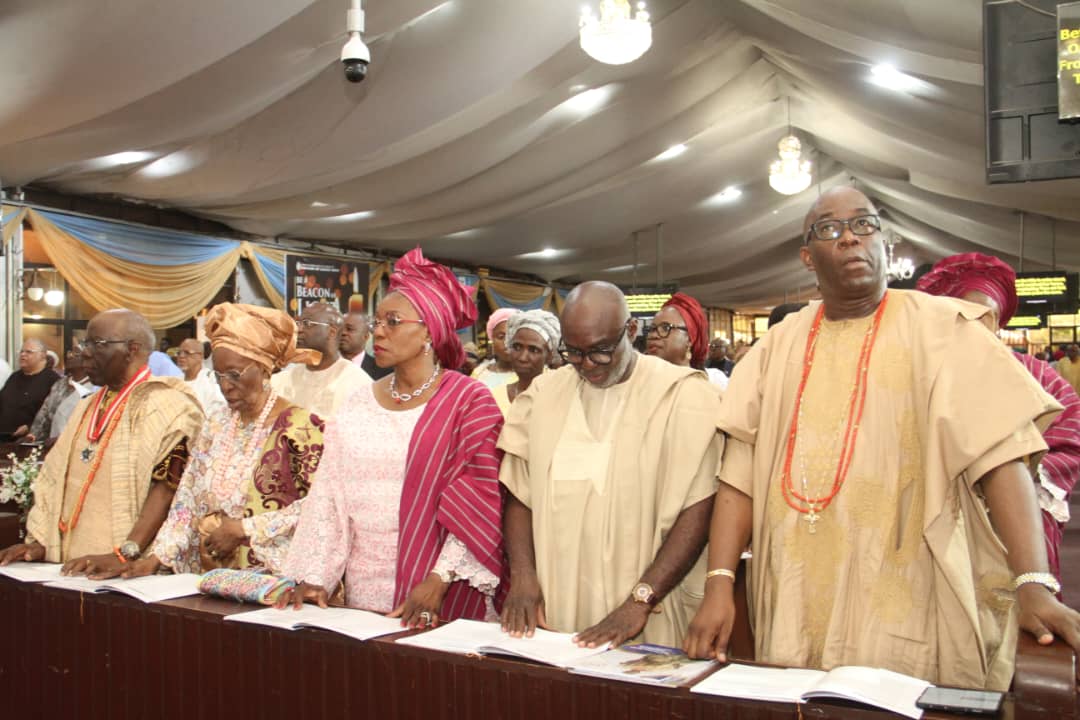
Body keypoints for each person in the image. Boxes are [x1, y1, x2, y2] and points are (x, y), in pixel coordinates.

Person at [684, 187, 1080, 691]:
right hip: (796, 588)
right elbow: (738, 477)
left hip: (913, 587)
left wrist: (1033, 583)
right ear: (807, 257)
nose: (850, 237)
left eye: (864, 224)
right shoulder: (774, 347)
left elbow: (1003, 460)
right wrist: (719, 584)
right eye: (830, 228)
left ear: (883, 242)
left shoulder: (946, 329)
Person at [278, 248, 505, 627]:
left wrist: (439, 579)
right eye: (377, 321)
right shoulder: (358, 401)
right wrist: (316, 577)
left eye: (393, 322)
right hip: (363, 590)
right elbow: (329, 495)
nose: (378, 332)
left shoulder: (469, 400)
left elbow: (481, 498)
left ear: (429, 330)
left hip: (439, 587)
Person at [499, 281, 721, 648]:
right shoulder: (543, 395)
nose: (587, 365)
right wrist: (523, 576)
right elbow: (520, 496)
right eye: (574, 352)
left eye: (600, 351)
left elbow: (698, 508)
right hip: (557, 604)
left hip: (648, 608)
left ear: (631, 331)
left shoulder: (683, 395)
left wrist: (640, 600)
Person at [120, 304, 325, 578]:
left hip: (271, 580)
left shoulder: (301, 428)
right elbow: (187, 499)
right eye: (218, 375)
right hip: (208, 576)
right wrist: (157, 558)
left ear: (264, 370)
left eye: (235, 374)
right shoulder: (217, 423)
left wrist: (244, 529)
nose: (225, 385)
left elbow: (322, 505)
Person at [916, 253, 1080, 586]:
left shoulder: (1035, 374)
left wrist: (1019, 478)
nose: (978, 326)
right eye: (965, 314)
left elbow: (1070, 428)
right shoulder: (922, 375)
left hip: (1022, 513)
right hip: (941, 515)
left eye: (987, 315)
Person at [0, 309, 203, 574]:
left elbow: (168, 490)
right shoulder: (86, 406)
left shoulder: (171, 405)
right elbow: (53, 477)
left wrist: (125, 554)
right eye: (86, 343)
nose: (85, 352)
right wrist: (41, 543)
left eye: (97, 343)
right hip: (68, 568)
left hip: (126, 571)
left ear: (132, 349)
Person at [271, 302, 371, 419]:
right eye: (298, 323)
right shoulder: (280, 380)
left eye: (307, 323)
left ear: (332, 332)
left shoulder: (357, 383)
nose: (299, 329)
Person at [645, 292, 728, 390]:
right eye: (652, 329)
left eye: (665, 328)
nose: (653, 335)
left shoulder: (715, 383)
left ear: (690, 339)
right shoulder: (642, 384)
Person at [491, 309, 561, 416]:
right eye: (517, 347)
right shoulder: (495, 397)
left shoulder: (558, 395)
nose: (523, 358)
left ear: (550, 356)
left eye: (534, 350)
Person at [23, 349, 98, 444]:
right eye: (69, 353)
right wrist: (32, 436)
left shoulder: (95, 387)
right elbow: (44, 414)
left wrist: (62, 439)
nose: (69, 356)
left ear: (88, 360)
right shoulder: (59, 384)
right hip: (52, 445)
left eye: (76, 353)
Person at [0, 339, 61, 437]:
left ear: (42, 355)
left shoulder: (53, 380)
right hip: (5, 437)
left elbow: (54, 413)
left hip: (31, 439)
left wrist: (29, 426)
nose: (23, 355)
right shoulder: (15, 376)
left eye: (28, 352)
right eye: (21, 351)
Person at [174, 337, 226, 416]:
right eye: (179, 353)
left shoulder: (211, 381)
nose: (181, 356)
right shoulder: (175, 382)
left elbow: (218, 413)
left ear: (200, 356)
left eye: (187, 353)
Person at [471, 308, 518, 390]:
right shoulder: (479, 374)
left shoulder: (533, 375)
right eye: (501, 337)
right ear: (492, 339)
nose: (507, 342)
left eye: (513, 336)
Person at [340, 310, 392, 380]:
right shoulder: (326, 365)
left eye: (349, 329)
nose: (343, 333)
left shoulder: (384, 372)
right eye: (340, 329)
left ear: (366, 336)